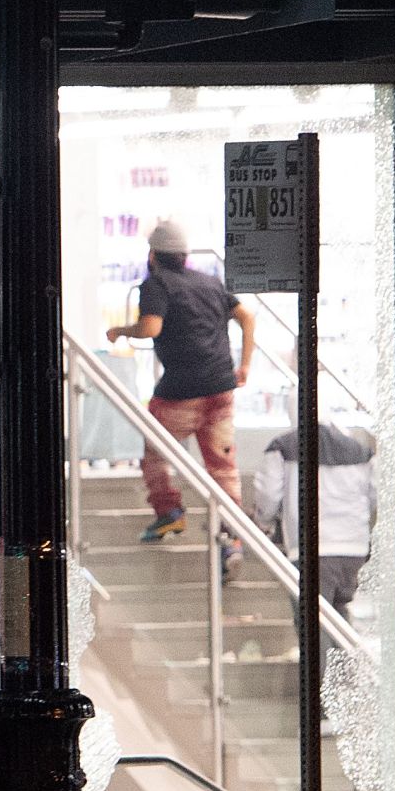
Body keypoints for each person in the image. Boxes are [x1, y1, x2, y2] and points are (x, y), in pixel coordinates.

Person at [107, 219, 256, 559]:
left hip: (180, 391)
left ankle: (168, 512)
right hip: (221, 386)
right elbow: (247, 317)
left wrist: (120, 331)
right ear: (185, 255)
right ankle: (231, 537)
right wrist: (244, 364)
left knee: (155, 452)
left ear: (153, 255)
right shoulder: (210, 282)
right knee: (221, 466)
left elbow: (150, 327)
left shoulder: (156, 283)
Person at [249, 421, 378, 610]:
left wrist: (263, 520)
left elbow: (268, 494)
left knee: (314, 624)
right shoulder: (361, 451)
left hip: (312, 549)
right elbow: (374, 495)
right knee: (337, 615)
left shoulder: (282, 447)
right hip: (354, 548)